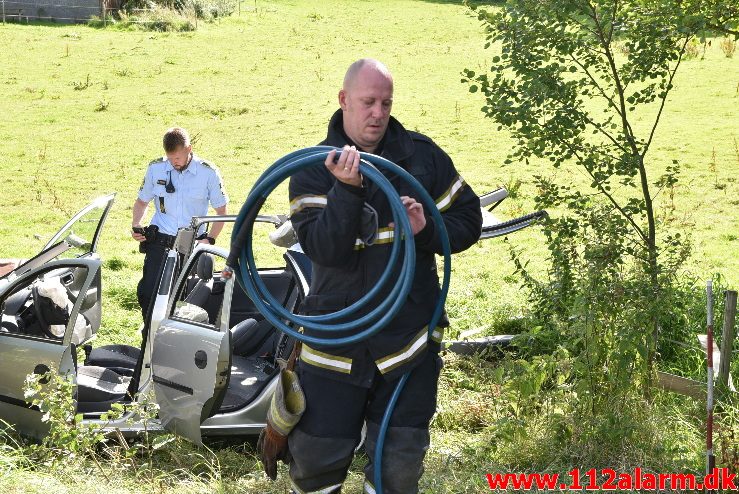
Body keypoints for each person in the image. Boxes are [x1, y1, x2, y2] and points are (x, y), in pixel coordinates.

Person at [279, 59, 482, 494]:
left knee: (398, 468)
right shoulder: (314, 168)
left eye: (385, 103)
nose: (378, 113)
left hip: (407, 342)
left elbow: (469, 220)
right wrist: (347, 190)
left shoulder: (422, 159)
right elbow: (325, 249)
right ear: (344, 100)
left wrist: (427, 228)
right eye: (368, 102)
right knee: (315, 461)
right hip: (335, 343)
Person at [132, 127, 228, 318]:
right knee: (148, 295)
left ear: (189, 149)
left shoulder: (208, 173)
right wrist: (136, 224)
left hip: (191, 245)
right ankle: (149, 337)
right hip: (160, 243)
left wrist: (210, 239)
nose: (173, 162)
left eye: (177, 158)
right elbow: (142, 201)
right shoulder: (156, 168)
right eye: (170, 158)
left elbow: (221, 211)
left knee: (183, 302)